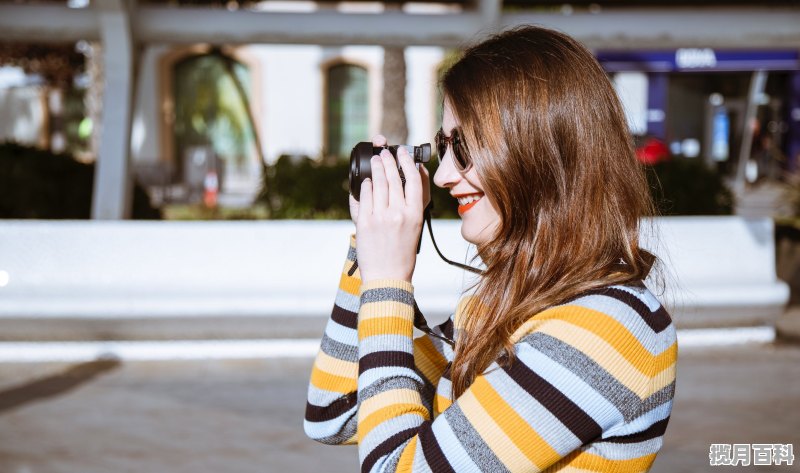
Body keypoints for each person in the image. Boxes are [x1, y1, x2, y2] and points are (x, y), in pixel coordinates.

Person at [305, 25, 677, 472]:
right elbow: (335, 412)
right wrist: (369, 242)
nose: (442, 176)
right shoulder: (496, 308)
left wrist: (388, 279)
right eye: (443, 147)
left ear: (539, 151)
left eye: (463, 147)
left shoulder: (608, 327)